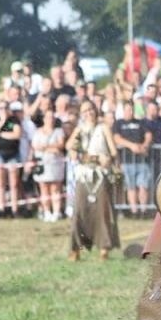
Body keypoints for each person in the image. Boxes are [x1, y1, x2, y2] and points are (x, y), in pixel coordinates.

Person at [66, 102, 121, 260]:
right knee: (79, 210)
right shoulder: (80, 129)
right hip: (84, 174)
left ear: (95, 111)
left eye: (90, 109)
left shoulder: (103, 128)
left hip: (100, 174)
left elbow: (113, 151)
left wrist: (107, 159)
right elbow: (69, 145)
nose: (88, 113)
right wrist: (73, 150)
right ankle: (76, 248)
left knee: (102, 211)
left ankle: (104, 248)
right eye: (85, 111)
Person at [113, 100, 153, 215]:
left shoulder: (141, 122)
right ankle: (134, 211)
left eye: (131, 109)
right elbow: (116, 138)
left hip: (142, 160)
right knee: (131, 188)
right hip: (127, 161)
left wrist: (145, 145)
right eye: (127, 109)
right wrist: (131, 146)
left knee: (143, 186)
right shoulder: (118, 123)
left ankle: (143, 211)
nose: (129, 112)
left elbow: (148, 135)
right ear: (123, 110)